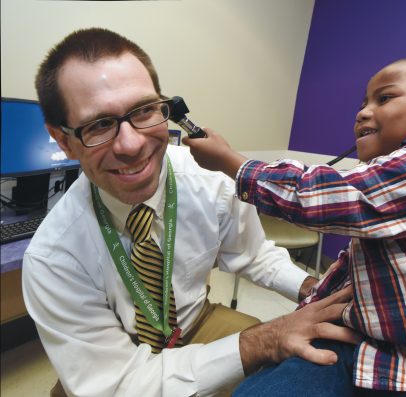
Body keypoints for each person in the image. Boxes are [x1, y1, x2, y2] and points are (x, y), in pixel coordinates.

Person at [21, 28, 361, 397]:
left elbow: (253, 255)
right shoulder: (53, 257)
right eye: (99, 124)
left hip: (195, 323)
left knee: (291, 374)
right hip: (120, 355)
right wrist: (262, 340)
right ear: (63, 141)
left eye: (144, 110)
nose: (133, 144)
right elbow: (116, 384)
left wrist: (314, 288)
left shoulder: (209, 181)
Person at [184, 58, 406, 396]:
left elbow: (328, 196)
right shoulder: (386, 190)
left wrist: (231, 162)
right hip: (364, 346)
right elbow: (348, 277)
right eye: (362, 104)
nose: (363, 112)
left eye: (384, 99)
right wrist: (307, 306)